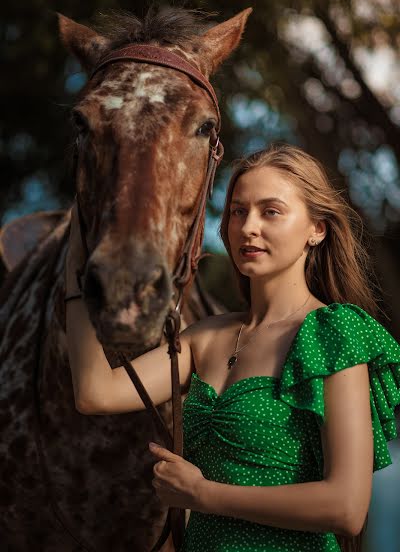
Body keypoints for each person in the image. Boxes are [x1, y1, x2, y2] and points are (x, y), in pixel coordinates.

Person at [65, 143, 400, 552]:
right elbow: (95, 392)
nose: (247, 227)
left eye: (270, 211)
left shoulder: (334, 332)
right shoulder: (203, 337)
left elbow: (346, 507)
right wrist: (79, 265)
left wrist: (202, 495)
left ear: (317, 229)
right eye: (238, 211)